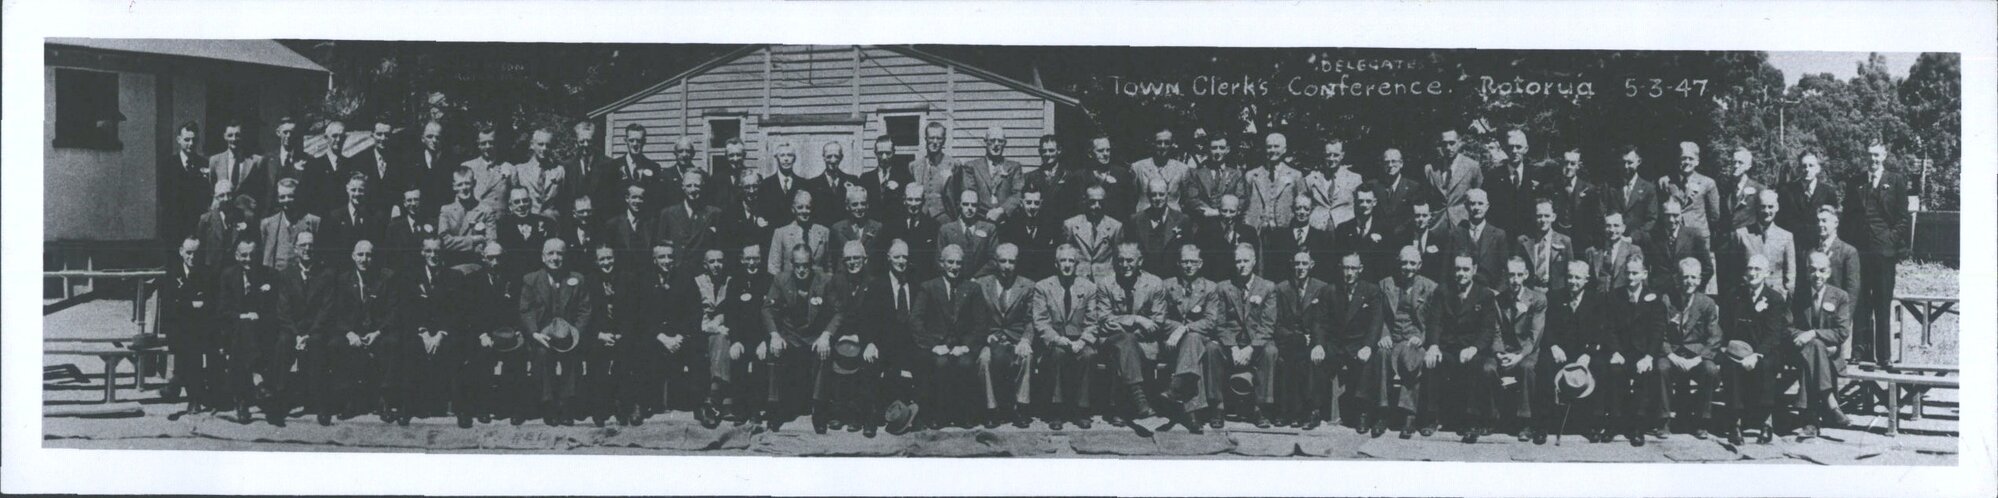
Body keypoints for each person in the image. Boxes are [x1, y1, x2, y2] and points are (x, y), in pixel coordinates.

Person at [316, 240, 398, 426]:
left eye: (368, 255)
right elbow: (336, 311)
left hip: (378, 331)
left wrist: (378, 332)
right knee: (336, 345)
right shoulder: (343, 279)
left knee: (391, 343)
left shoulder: (386, 277)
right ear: (353, 256)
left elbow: (393, 311)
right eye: (360, 255)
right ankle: (349, 400)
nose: (364, 259)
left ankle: (383, 400)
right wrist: (349, 333)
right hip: (352, 331)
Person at [1841, 142, 1908, 367]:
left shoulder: (1896, 180)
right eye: (1869, 155)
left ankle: (1884, 355)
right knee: (1860, 302)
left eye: (1877, 155)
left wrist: (1891, 239)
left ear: (1885, 156)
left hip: (1884, 253)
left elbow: (1902, 218)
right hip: (1860, 251)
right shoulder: (1855, 182)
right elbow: (1848, 217)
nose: (1873, 159)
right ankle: (1859, 351)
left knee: (1882, 304)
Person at [519, 238, 596, 426]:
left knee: (572, 356)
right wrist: (535, 333)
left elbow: (585, 310)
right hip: (542, 336)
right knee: (543, 355)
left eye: (559, 253)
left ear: (565, 256)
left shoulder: (577, 279)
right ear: (543, 257)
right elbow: (525, 309)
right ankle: (548, 405)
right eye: (550, 253)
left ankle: (567, 405)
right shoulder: (531, 279)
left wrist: (575, 334)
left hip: (569, 337)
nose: (555, 258)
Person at [1421, 254, 1498, 442]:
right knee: (1432, 362)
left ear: (1473, 269)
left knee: (1475, 366)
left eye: (1465, 269)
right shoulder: (1443, 291)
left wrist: (1474, 348)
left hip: (1473, 348)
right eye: (1457, 269)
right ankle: (1432, 418)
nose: (1461, 274)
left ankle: (1472, 421)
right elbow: (1435, 322)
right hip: (1448, 347)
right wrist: (1433, 346)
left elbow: (1488, 329)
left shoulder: (1485, 294)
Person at [759, 246, 836, 432]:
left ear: (812, 264)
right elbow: (767, 309)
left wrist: (826, 335)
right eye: (798, 265)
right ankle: (775, 408)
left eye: (806, 265)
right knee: (774, 351)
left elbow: (838, 311)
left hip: (814, 337)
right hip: (790, 336)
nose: (802, 270)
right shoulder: (781, 279)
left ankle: (819, 410)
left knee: (825, 354)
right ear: (791, 264)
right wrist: (775, 335)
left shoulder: (825, 280)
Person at [1156, 243, 1230, 432]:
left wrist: (1186, 328)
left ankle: (1181, 395)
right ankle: (1193, 412)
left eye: (1193, 261)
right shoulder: (1167, 285)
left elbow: (1210, 321)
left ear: (1200, 263)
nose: (1188, 265)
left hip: (1201, 339)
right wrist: (1179, 329)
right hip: (1172, 340)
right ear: (1178, 263)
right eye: (1184, 261)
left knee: (1194, 340)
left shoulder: (1210, 288)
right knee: (1192, 344)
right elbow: (1160, 317)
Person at [1720, 254, 1792, 445]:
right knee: (1731, 365)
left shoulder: (1775, 299)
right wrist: (1727, 348)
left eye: (1757, 269)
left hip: (1765, 350)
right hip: (1738, 349)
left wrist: (1756, 354)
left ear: (1767, 273)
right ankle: (1735, 422)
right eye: (1750, 268)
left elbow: (1774, 334)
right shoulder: (1735, 295)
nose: (1752, 273)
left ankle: (1766, 422)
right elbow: (1725, 326)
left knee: (1767, 365)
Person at [1031, 244, 1104, 429]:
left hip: (1080, 339)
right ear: (1056, 263)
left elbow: (1093, 320)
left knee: (1089, 355)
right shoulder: (1043, 287)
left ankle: (1082, 409)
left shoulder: (1088, 287)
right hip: (1055, 340)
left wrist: (1083, 340)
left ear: (1077, 264)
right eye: (1063, 260)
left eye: (1071, 261)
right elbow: (1040, 321)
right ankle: (1056, 409)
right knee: (1058, 354)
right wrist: (1056, 338)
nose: (1067, 265)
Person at [463, 241, 532, 426]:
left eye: (498, 258)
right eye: (490, 258)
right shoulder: (473, 279)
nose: (495, 262)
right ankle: (483, 407)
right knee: (480, 358)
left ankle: (514, 408)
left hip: (508, 332)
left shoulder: (514, 279)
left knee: (517, 358)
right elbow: (471, 312)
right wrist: (482, 335)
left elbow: (520, 309)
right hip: (484, 333)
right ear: (483, 258)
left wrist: (517, 331)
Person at [394, 237, 461, 426]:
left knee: (456, 348)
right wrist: (423, 333)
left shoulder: (454, 277)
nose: (433, 255)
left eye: (437, 251)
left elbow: (456, 311)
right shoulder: (410, 277)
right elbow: (407, 309)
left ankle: (458, 407)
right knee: (409, 348)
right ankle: (407, 406)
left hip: (443, 333)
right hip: (419, 332)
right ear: (422, 253)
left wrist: (440, 334)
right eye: (429, 251)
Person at [1789, 251, 1856, 440]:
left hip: (1829, 353)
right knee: (1814, 348)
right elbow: (1787, 327)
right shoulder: (1796, 294)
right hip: (1798, 351)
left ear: (1829, 272)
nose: (1817, 275)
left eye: (1822, 270)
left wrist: (1814, 333)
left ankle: (1810, 421)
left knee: (1815, 347)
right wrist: (1803, 337)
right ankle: (1831, 404)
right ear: (1806, 271)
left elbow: (1842, 332)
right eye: (1812, 270)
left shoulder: (1840, 296)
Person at [1604, 256, 1670, 446]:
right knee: (1615, 371)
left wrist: (1649, 356)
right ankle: (1616, 422)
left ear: (1644, 274)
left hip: (1644, 353)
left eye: (1635, 273)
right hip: (1622, 351)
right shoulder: (1615, 296)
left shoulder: (1655, 298)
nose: (1631, 277)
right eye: (1628, 273)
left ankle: (1638, 426)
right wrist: (1615, 351)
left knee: (1646, 374)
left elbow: (1658, 331)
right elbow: (1609, 328)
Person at [1372, 246, 1437, 438]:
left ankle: (1409, 415)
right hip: (1392, 338)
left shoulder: (1430, 287)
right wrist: (1383, 334)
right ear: (1398, 263)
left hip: (1414, 339)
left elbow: (1434, 320)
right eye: (1404, 263)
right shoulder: (1386, 284)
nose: (1407, 267)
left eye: (1412, 263)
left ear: (1419, 265)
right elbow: (1379, 316)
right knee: (1381, 354)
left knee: (1413, 356)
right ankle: (1382, 412)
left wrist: (1422, 337)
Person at [915, 241, 981, 429]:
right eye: (950, 262)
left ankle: (963, 414)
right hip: (937, 345)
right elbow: (916, 321)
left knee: (966, 364)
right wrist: (933, 345)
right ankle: (940, 413)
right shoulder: (928, 287)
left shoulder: (972, 288)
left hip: (962, 345)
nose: (954, 267)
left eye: (958, 263)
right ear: (941, 263)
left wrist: (966, 346)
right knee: (940, 364)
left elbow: (980, 324)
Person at [973, 243, 1039, 428]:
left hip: (1016, 337)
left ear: (1017, 263)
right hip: (990, 336)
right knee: (984, 358)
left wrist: (1026, 339)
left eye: (1012, 261)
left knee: (1027, 355)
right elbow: (975, 318)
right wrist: (984, 337)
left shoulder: (1027, 286)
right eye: (1003, 261)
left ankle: (1021, 407)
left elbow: (1030, 319)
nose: (1007, 266)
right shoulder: (981, 284)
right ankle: (991, 409)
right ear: (995, 262)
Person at [634, 242, 701, 423]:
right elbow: (640, 314)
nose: (667, 261)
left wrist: (680, 337)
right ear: (654, 260)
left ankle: (701, 405)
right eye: (662, 257)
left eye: (670, 257)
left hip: (679, 336)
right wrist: (661, 337)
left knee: (698, 352)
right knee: (640, 349)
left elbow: (694, 311)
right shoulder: (644, 280)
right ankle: (640, 403)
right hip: (655, 335)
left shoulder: (685, 278)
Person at [1540, 260, 1607, 441]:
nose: (1573, 281)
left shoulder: (1596, 300)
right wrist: (1553, 346)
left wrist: (1588, 353)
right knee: (1544, 365)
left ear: (1586, 279)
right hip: (1560, 350)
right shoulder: (1555, 297)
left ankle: (1594, 423)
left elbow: (1600, 331)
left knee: (1601, 366)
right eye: (1570, 277)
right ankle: (1543, 424)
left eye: (1578, 278)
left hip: (1584, 352)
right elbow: (1547, 327)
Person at [269, 231, 331, 427]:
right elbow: (283, 309)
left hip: (315, 329)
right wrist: (296, 335)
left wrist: (309, 334)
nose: (307, 249)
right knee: (282, 344)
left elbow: (326, 309)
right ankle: (278, 403)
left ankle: (320, 404)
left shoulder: (325, 274)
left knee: (318, 345)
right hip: (292, 330)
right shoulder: (286, 274)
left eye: (310, 245)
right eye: (303, 245)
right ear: (295, 249)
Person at [1318, 253, 1384, 431]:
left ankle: (1362, 412)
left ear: (1360, 269)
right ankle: (1315, 409)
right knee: (1316, 358)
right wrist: (1318, 344)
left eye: (1353, 268)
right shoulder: (1330, 290)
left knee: (1368, 361)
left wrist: (1368, 346)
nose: (1349, 272)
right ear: (1341, 269)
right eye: (1346, 268)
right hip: (1337, 343)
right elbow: (1321, 322)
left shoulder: (1371, 290)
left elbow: (1376, 322)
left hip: (1359, 343)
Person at [214, 239, 277, 425]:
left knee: (242, 341)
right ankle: (257, 379)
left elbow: (273, 308)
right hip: (233, 328)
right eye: (244, 255)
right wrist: (242, 316)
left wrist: (257, 315)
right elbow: (223, 310)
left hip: (261, 330)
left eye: (252, 255)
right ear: (236, 256)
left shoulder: (267, 275)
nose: (248, 259)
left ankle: (240, 401)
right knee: (241, 332)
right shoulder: (228, 275)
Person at [869, 240, 929, 434]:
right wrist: (869, 342)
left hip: (912, 342)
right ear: (888, 259)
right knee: (875, 365)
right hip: (885, 343)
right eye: (897, 257)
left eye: (905, 257)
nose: (901, 261)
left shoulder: (916, 283)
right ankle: (874, 415)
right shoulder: (878, 284)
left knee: (924, 363)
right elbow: (867, 318)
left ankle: (917, 414)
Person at [582, 245, 643, 427]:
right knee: (596, 356)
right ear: (596, 262)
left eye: (609, 258)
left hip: (623, 333)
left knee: (628, 355)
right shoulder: (589, 281)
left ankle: (626, 406)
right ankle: (600, 406)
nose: (606, 262)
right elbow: (586, 313)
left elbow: (634, 312)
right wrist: (600, 335)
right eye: (602, 259)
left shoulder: (628, 279)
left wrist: (620, 334)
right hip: (599, 334)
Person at [1490, 257, 1548, 443]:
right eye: (1511, 275)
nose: (1515, 280)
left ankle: (1525, 422)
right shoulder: (1499, 300)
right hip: (1505, 350)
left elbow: (1535, 334)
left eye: (1518, 275)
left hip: (1528, 351)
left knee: (1526, 368)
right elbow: (1496, 330)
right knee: (1487, 368)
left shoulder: (1537, 299)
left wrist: (1519, 356)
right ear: (1505, 276)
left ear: (1525, 275)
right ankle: (1492, 418)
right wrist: (1499, 353)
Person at [715, 246, 773, 425]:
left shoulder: (769, 280)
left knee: (759, 363)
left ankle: (756, 410)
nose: (752, 263)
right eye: (748, 258)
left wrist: (765, 341)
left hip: (762, 337)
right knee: (737, 360)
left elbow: (772, 313)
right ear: (741, 259)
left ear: (761, 259)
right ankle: (740, 409)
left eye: (755, 258)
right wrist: (736, 341)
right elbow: (731, 314)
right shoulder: (735, 282)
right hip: (741, 336)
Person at [162, 238, 217, 418]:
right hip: (178, 327)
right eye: (189, 253)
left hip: (200, 327)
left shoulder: (207, 274)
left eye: (196, 253)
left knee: (193, 344)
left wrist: (188, 305)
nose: (192, 257)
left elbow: (210, 303)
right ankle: (193, 397)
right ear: (181, 251)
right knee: (189, 345)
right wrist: (191, 305)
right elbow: (170, 306)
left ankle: (178, 382)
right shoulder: (172, 274)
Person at [950, 126, 1025, 224]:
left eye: (1000, 141)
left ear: (1005, 144)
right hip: (980, 221)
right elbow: (970, 194)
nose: (996, 144)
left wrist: (1000, 211)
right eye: (992, 140)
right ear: (985, 142)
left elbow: (1018, 194)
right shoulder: (972, 167)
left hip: (1007, 222)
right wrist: (988, 214)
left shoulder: (1014, 167)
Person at [659, 169, 721, 277]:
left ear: (703, 186)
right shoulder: (668, 213)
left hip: (703, 274)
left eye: (697, 186)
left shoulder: (714, 213)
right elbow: (662, 245)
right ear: (683, 187)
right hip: (676, 273)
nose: (693, 190)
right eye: (689, 186)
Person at [1646, 198, 1715, 294]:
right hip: (1660, 293)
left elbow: (1708, 269)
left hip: (1686, 293)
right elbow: (1646, 267)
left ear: (1681, 214)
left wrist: (1693, 288)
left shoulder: (1694, 235)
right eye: (1667, 215)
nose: (1671, 220)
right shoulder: (1652, 237)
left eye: (1675, 215)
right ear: (1661, 215)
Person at [439, 166, 502, 268]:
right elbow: (444, 242)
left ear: (474, 183)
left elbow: (491, 242)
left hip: (478, 265)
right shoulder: (446, 211)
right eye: (460, 184)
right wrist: (473, 240)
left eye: (467, 183)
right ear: (454, 186)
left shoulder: (485, 210)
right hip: (452, 266)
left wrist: (456, 243)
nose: (464, 188)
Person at [1129, 179, 1193, 279]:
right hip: (1144, 279)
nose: (1158, 198)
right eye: (1154, 195)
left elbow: (1188, 252)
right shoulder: (1135, 220)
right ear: (1148, 196)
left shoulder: (1182, 220)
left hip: (1172, 278)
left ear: (1167, 194)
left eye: (1161, 194)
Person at [1779, 150, 1840, 254]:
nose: (1807, 169)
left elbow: (1833, 222)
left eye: (1811, 166)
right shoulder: (1786, 191)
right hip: (1793, 247)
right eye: (1804, 166)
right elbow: (1781, 221)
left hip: (1819, 247)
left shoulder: (1828, 192)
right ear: (1799, 168)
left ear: (1818, 168)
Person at [1542, 148, 1602, 253]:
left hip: (1581, 244)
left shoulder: (1589, 190)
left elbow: (1596, 219)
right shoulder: (1551, 188)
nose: (1568, 167)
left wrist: (1594, 244)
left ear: (1578, 166)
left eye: (1572, 163)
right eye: (1566, 163)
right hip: (1556, 242)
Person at [1181, 133, 1249, 225]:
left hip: (1228, 223)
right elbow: (1192, 199)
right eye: (1214, 148)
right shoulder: (1197, 173)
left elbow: (1241, 199)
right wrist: (1209, 211)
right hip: (1203, 223)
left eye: (1221, 148)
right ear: (1209, 150)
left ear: (1227, 150)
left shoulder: (1236, 174)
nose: (1217, 152)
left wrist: (1224, 211)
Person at [1484, 130, 1541, 236]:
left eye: (1518, 147)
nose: (1514, 151)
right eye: (1511, 147)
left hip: (1530, 237)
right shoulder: (1492, 176)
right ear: (1505, 149)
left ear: (1526, 149)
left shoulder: (1537, 175)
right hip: (1501, 237)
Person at [321, 173, 386, 265]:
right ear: (347, 190)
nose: (357, 194)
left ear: (366, 191)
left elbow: (379, 247)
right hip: (341, 270)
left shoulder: (375, 216)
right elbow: (330, 250)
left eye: (360, 190)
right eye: (353, 190)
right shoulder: (335, 217)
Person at [883, 183, 943, 282]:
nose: (914, 204)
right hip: (899, 280)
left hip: (923, 281)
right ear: (904, 201)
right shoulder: (892, 225)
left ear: (923, 201)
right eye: (910, 199)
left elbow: (934, 261)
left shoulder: (933, 227)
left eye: (917, 200)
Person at [259, 178, 322, 272]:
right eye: (282, 197)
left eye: (290, 196)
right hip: (278, 278)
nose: (286, 200)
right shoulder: (267, 224)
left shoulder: (313, 222)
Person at [1425, 129, 1484, 228]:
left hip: (1463, 224)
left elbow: (1479, 197)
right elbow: (1427, 199)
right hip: (1437, 226)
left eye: (1452, 143)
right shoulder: (1431, 169)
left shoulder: (1472, 166)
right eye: (1444, 144)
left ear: (1460, 143)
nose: (1448, 148)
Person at [1063, 185, 1125, 281]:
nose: (1097, 206)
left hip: (1105, 279)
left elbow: (1118, 257)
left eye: (1101, 202)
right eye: (1092, 202)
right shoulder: (1070, 224)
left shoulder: (1115, 226)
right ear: (1085, 201)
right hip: (1078, 278)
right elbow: (1065, 255)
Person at [1000, 188, 1063, 281]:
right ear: (1021, 203)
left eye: (1036, 203)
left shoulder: (1051, 226)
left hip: (1044, 278)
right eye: (1029, 202)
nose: (1032, 207)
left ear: (1041, 204)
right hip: (1019, 279)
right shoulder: (1011, 226)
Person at [1245, 132, 1304, 230]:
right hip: (1257, 231)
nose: (1272, 150)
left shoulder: (1295, 176)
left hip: (1284, 231)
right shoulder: (1251, 175)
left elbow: (1301, 204)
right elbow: (1245, 206)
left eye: (1276, 146)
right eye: (1269, 147)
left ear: (1284, 149)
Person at [1329, 184, 1387, 283]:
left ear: (1375, 202)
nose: (1364, 205)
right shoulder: (1343, 229)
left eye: (1368, 201)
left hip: (1374, 284)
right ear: (1355, 202)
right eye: (1361, 201)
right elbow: (1337, 261)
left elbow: (1386, 263)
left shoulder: (1384, 229)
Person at [1452, 189, 1511, 286]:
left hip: (1491, 292)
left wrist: (1498, 293)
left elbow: (1505, 270)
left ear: (1487, 206)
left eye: (1480, 203)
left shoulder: (1498, 235)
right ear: (1466, 206)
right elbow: (1447, 269)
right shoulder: (1456, 234)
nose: (1476, 207)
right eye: (1472, 204)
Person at [494, 187, 555, 281]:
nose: (521, 205)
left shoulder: (546, 223)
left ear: (530, 203)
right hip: (513, 279)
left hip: (540, 279)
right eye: (517, 202)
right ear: (510, 206)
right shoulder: (502, 226)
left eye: (525, 201)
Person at [766, 189, 830, 279]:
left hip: (817, 287)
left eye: (808, 207)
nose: (804, 211)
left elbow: (829, 266)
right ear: (793, 209)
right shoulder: (781, 233)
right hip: (789, 287)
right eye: (800, 207)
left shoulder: (824, 232)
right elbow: (774, 268)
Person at [1514, 198, 1573, 294]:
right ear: (1534, 217)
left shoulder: (1565, 241)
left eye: (1547, 216)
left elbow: (1570, 271)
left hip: (1555, 294)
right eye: (1539, 216)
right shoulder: (1523, 241)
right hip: (1530, 292)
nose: (1543, 220)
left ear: (1553, 217)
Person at [162, 122, 211, 239]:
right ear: (179, 139)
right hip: (174, 224)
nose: (191, 144)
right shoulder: (168, 164)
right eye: (187, 140)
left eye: (194, 140)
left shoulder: (204, 163)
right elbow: (164, 196)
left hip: (197, 223)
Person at [1659, 142, 1720, 234]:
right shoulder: (1665, 182)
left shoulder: (1708, 183)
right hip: (1673, 234)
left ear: (1697, 162)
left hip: (1698, 235)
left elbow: (1714, 214)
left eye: (1691, 159)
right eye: (1683, 158)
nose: (1687, 162)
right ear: (1678, 159)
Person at [1026, 135, 1089, 223]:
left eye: (1051, 150)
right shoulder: (1030, 177)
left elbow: (1076, 206)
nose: (1047, 154)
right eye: (1044, 151)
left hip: (1063, 226)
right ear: (1040, 152)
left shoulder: (1070, 177)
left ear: (1058, 151)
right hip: (1040, 227)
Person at [939, 190, 1002, 278]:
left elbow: (994, 259)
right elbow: (940, 260)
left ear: (978, 206)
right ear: (959, 204)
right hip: (954, 280)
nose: (970, 208)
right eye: (966, 204)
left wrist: (976, 278)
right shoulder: (946, 230)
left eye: (974, 205)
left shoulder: (989, 229)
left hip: (979, 280)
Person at [1303, 138, 1362, 230]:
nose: (1331, 159)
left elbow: (1360, 207)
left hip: (1345, 229)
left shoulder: (1354, 179)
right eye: (1328, 155)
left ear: (1342, 155)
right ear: (1323, 155)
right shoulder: (1311, 179)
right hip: (1317, 229)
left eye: (1335, 155)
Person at [1132, 126, 1193, 215]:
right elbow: (1132, 197)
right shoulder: (1138, 167)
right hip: (1144, 218)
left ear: (1172, 144)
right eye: (1159, 142)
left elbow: (1186, 199)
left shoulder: (1182, 169)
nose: (1162, 146)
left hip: (1172, 219)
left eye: (1167, 143)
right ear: (1153, 144)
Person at [1198, 194, 1261, 280]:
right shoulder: (1205, 231)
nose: (1227, 215)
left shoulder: (1249, 232)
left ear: (1238, 211)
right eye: (1224, 211)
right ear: (1219, 210)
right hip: (1213, 281)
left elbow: (1256, 263)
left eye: (1232, 211)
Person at [196, 181, 257, 269]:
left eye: (229, 194)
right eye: (222, 195)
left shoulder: (245, 217)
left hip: (237, 268)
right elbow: (201, 247)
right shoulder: (206, 219)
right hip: (214, 269)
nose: (226, 199)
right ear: (216, 197)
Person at [508, 128, 567, 218]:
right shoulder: (519, 170)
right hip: (528, 224)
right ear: (532, 145)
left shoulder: (559, 171)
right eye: (540, 144)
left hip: (552, 224)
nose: (544, 148)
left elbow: (563, 201)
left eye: (548, 145)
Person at [1607, 145, 1660, 244]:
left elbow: (1651, 220)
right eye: (1623, 162)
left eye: (1630, 163)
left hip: (1638, 242)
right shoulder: (1612, 187)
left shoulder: (1648, 188)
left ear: (1639, 162)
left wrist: (1632, 238)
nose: (1625, 166)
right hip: (1613, 241)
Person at [825, 186, 883, 273]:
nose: (859, 208)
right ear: (847, 206)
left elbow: (880, 259)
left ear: (867, 205)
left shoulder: (877, 227)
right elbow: (831, 260)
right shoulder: (837, 229)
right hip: (844, 278)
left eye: (863, 203)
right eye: (855, 204)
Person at [857, 134, 915, 216]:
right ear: (875, 153)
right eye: (880, 153)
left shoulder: (904, 177)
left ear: (894, 152)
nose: (884, 157)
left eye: (888, 153)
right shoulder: (865, 179)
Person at [1714, 146, 1766, 237]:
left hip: (1749, 240)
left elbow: (1763, 218)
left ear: (1748, 166)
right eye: (1734, 162)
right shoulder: (1725, 188)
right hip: (1727, 243)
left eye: (1740, 162)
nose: (1736, 166)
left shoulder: (1759, 189)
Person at [609, 123, 662, 212]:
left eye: (638, 141)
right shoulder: (614, 166)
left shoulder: (654, 167)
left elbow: (656, 199)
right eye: (631, 140)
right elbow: (610, 199)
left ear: (644, 141)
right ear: (625, 141)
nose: (635, 144)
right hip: (620, 221)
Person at [914, 122, 962, 221]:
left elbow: (959, 196)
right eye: (931, 138)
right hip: (921, 219)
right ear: (926, 139)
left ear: (944, 141)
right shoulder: (915, 166)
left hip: (945, 219)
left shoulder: (953, 165)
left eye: (939, 138)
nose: (935, 142)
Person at [1083, 135, 1139, 217]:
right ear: (1090, 153)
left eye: (1108, 150)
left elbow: (1130, 205)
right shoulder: (1081, 176)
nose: (1105, 154)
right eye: (1100, 151)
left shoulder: (1122, 174)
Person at [1585, 212, 1641, 295]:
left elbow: (1639, 280)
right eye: (1608, 226)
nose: (1612, 230)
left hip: (1623, 300)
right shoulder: (1592, 251)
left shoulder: (1633, 250)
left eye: (1616, 225)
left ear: (1623, 228)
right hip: (1598, 301)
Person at [307, 119, 354, 218]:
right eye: (334, 136)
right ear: (325, 138)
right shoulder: (314, 165)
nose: (338, 140)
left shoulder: (351, 165)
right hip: (321, 221)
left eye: (342, 136)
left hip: (343, 222)